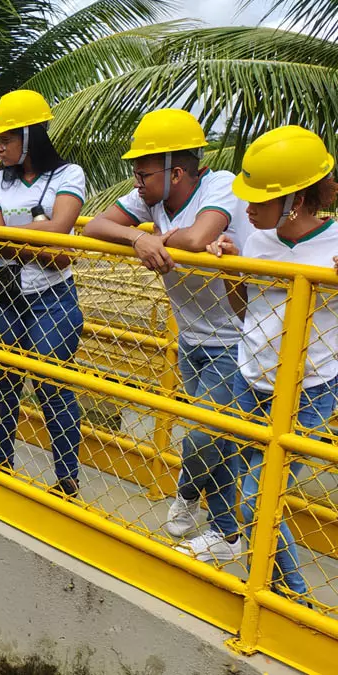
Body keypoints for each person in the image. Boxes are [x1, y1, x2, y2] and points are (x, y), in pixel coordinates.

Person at [83, 109, 250, 561]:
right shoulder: (152, 200)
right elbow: (97, 224)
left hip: (236, 337)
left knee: (203, 437)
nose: (135, 182)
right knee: (214, 440)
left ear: (176, 172)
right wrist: (140, 239)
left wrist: (159, 237)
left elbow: (198, 238)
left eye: (142, 173)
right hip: (191, 337)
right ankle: (225, 534)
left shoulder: (220, 185)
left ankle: (189, 494)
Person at [205, 125, 338, 602]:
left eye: (260, 200)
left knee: (260, 494)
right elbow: (248, 311)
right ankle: (264, 582)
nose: (248, 208)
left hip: (310, 389)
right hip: (252, 378)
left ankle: (293, 597)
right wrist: (231, 270)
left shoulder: (335, 244)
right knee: (250, 490)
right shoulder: (258, 239)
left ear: (296, 201)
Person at [0, 90, 87, 497]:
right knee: (1, 380)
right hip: (7, 294)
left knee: (51, 383)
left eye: (6, 139)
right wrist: (40, 236)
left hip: (51, 298)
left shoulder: (67, 175)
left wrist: (21, 235)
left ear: (30, 134)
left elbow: (60, 231)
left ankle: (67, 478)